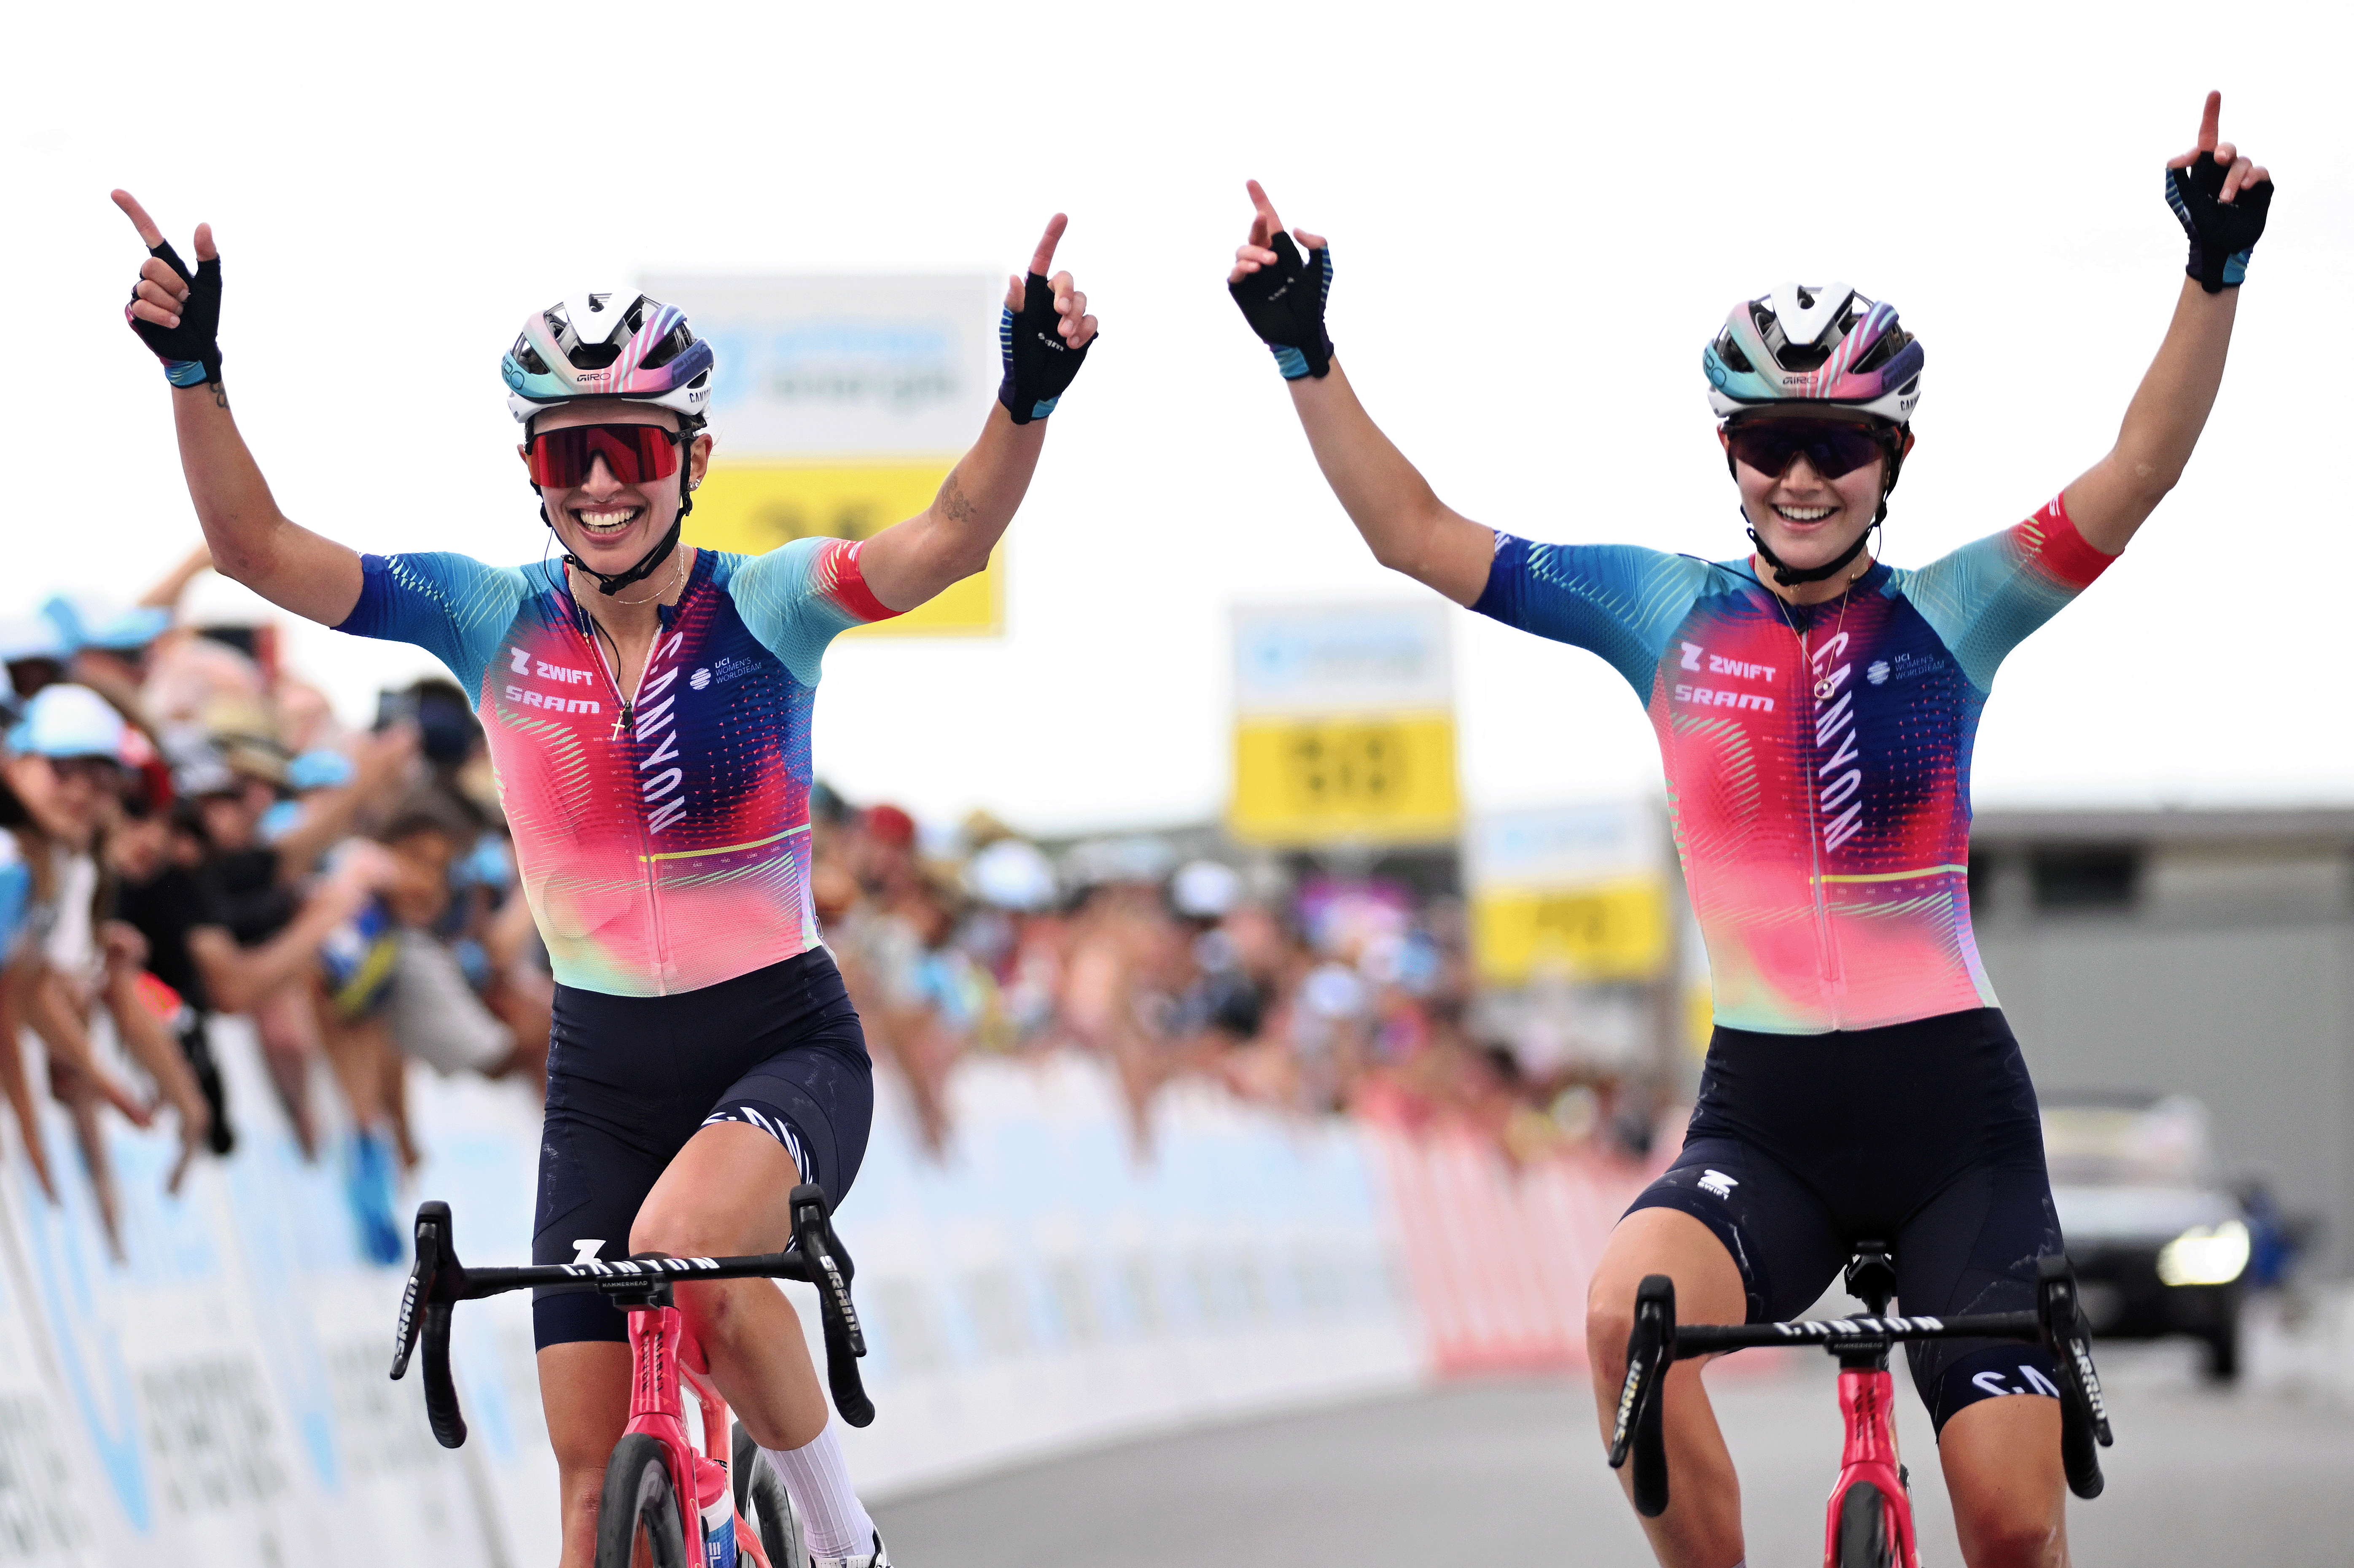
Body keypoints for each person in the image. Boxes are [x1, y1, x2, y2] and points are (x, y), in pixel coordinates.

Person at [1228, 94, 2270, 1568]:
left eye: (1834, 443)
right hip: (1763, 1116)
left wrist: (2211, 272)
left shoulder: (1952, 613)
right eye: (1770, 438)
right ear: (1728, 451)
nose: (1799, 474)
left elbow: (2139, 469)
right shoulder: (1659, 611)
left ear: (1889, 456)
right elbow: (1409, 528)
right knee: (1620, 1319)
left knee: (2013, 1529)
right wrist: (1303, 349)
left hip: (1952, 1125)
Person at [113, 185, 1098, 1568]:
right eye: (567, 454)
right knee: (586, 1494)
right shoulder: (487, 614)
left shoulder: (768, 604)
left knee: (696, 1258)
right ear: (532, 469)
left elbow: (947, 539)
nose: (598, 484)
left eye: (628, 446)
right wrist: (194, 376)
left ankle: (846, 1544)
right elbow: (257, 552)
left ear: (690, 454)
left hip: (779, 1045)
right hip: (602, 1077)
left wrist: (1025, 398)